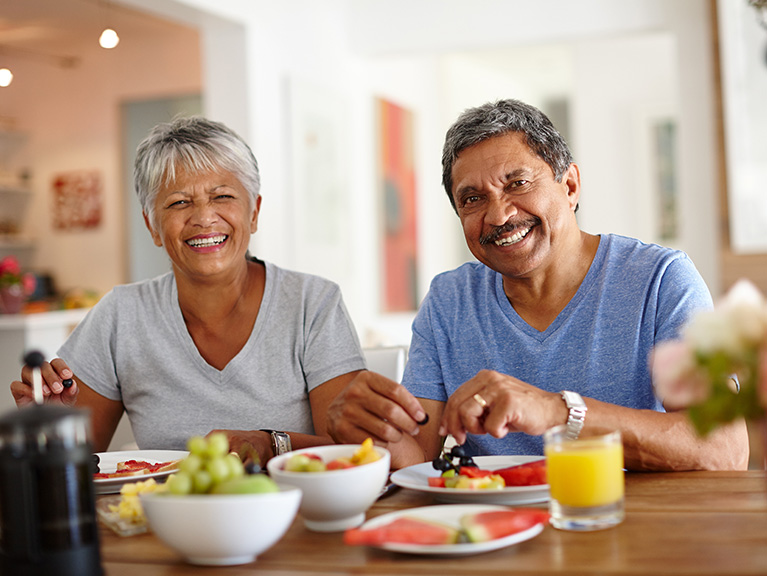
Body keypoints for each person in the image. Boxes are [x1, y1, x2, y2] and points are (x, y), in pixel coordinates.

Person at [327, 99, 749, 471]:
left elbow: (724, 448)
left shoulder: (661, 280)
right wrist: (367, 430)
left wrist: (557, 411)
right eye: (472, 199)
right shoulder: (449, 300)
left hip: (629, 528)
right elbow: (417, 458)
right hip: (495, 537)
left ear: (569, 186)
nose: (498, 216)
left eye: (517, 183)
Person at [11, 116, 366, 463]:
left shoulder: (313, 304)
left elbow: (354, 452)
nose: (203, 217)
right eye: (179, 202)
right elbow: (72, 466)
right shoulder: (121, 315)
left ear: (254, 212)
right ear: (152, 224)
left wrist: (270, 444)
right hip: (163, 518)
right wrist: (53, 425)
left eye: (223, 196)